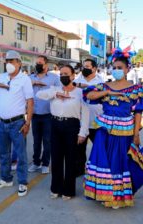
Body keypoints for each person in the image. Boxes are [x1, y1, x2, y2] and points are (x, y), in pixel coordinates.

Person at [83, 57, 143, 209]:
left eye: (120, 67)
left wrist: (136, 134)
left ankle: (116, 197)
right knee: (104, 160)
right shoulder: (105, 86)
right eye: (114, 67)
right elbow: (88, 95)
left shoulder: (136, 89)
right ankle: (104, 193)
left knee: (120, 161)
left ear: (127, 69)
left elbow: (138, 113)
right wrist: (107, 92)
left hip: (125, 131)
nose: (116, 70)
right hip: (104, 129)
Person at [0, 50, 34, 197]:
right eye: (7, 61)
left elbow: (30, 102)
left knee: (21, 155)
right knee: (4, 153)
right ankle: (6, 179)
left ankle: (22, 182)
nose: (9, 63)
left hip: (17, 123)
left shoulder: (24, 79)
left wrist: (28, 122)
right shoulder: (2, 77)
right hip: (2, 123)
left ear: (19, 63)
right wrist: (0, 85)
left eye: (12, 61)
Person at [36, 65, 89, 199]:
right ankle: (56, 188)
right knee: (56, 158)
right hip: (55, 125)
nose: (63, 76)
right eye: (61, 74)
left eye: (66, 74)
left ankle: (68, 190)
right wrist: (55, 94)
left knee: (71, 159)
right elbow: (39, 94)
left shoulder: (79, 93)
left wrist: (83, 132)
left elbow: (86, 114)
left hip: (72, 126)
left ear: (72, 76)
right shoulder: (55, 89)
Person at [28, 55, 61, 174]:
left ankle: (45, 163)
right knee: (36, 140)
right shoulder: (30, 77)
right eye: (36, 62)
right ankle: (36, 162)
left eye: (40, 63)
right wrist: (33, 82)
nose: (37, 65)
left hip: (48, 114)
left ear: (46, 65)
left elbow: (60, 91)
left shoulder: (54, 77)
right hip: (34, 114)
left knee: (47, 141)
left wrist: (49, 91)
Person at [74, 59, 104, 176]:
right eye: (83, 66)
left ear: (94, 68)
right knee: (79, 149)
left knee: (98, 148)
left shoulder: (101, 81)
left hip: (97, 122)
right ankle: (79, 169)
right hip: (80, 122)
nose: (84, 68)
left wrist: (86, 87)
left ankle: (96, 171)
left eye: (87, 66)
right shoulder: (77, 80)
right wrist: (81, 85)